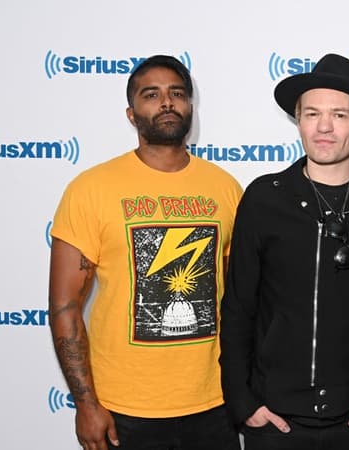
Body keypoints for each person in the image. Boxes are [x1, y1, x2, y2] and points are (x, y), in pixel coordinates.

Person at [219, 53, 349, 450]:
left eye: (340, 115)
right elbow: (239, 306)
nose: (324, 127)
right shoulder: (263, 198)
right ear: (299, 120)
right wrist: (243, 401)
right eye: (312, 114)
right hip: (272, 420)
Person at [48, 55, 242, 450]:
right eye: (151, 95)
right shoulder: (91, 189)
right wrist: (86, 404)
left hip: (214, 402)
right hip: (124, 409)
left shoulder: (225, 188)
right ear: (131, 113)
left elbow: (237, 296)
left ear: (191, 106)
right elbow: (65, 305)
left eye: (177, 93)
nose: (166, 103)